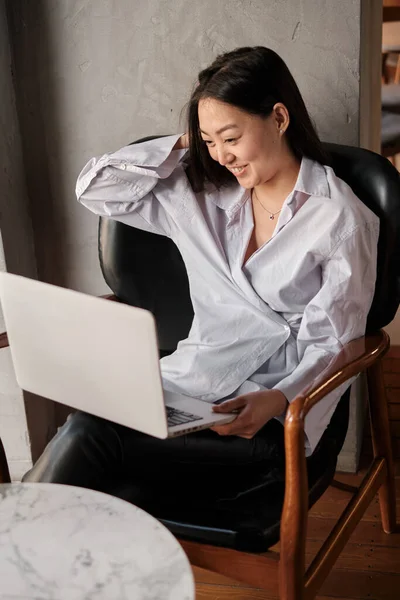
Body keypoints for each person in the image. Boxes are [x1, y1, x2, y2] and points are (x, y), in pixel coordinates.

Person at [23, 47, 379, 510]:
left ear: (278, 117)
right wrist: (193, 139)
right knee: (89, 428)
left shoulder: (340, 219)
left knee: (89, 437)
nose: (222, 155)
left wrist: (278, 398)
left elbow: (337, 342)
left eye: (231, 137)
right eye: (210, 142)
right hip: (189, 389)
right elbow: (95, 188)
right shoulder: (200, 192)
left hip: (268, 418)